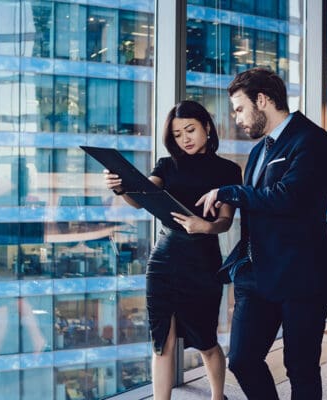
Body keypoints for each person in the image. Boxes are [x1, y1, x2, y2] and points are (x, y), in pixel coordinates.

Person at [197, 68, 327, 400]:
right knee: (242, 360)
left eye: (240, 108)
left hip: (302, 275)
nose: (237, 118)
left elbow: (290, 197)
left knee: (300, 368)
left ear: (263, 100)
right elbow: (258, 206)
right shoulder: (259, 150)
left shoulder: (312, 139)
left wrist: (229, 192)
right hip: (257, 275)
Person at [104, 100, 242, 400]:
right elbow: (142, 197)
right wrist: (121, 188)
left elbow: (225, 221)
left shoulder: (229, 170)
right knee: (161, 341)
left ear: (207, 126)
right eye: (178, 134)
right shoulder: (167, 165)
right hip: (164, 260)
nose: (185, 139)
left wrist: (205, 226)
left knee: (206, 339)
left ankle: (219, 397)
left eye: (190, 130)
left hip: (204, 261)